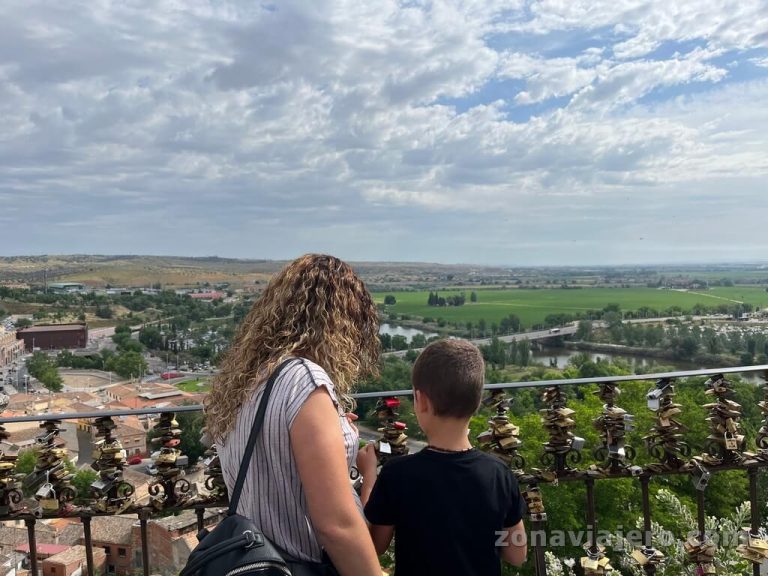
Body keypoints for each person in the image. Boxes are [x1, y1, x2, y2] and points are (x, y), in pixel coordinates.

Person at [205, 254, 383, 576]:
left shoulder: (250, 379)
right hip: (299, 564)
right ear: (337, 322)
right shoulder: (305, 380)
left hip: (257, 562)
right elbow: (336, 525)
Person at [358, 339, 528, 575]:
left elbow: (373, 546)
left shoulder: (398, 474)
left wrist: (368, 476)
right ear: (477, 402)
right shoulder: (499, 473)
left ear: (422, 401)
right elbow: (517, 555)